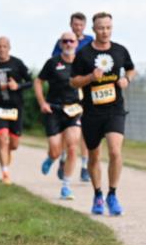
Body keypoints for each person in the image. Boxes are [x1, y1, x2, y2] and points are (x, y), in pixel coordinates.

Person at [70, 12, 136, 216]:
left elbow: (131, 69)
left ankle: (112, 194)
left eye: (108, 27)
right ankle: (98, 194)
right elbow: (73, 81)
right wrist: (90, 77)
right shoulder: (84, 54)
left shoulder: (119, 50)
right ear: (94, 29)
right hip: (91, 112)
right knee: (94, 155)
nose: (105, 31)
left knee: (115, 151)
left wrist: (127, 79)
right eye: (100, 28)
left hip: (115, 109)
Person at [35, 31, 84, 200]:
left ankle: (66, 186)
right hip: (54, 110)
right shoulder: (53, 63)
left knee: (72, 147)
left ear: (77, 43)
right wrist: (42, 103)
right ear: (60, 44)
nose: (68, 44)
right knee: (56, 150)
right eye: (65, 41)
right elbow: (38, 81)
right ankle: (52, 158)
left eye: (71, 41)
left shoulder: (82, 63)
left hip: (74, 110)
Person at [0, 37, 32, 184]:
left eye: (4, 46)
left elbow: (30, 81)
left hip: (16, 107)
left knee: (13, 145)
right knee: (2, 139)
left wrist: (18, 86)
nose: (2, 49)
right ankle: (5, 173)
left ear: (9, 48)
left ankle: (7, 154)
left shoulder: (17, 63)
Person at [51, 12, 95, 181]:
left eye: (80, 25)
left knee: (84, 128)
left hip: (86, 88)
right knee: (67, 128)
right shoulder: (63, 41)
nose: (77, 28)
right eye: (75, 25)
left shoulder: (90, 40)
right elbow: (54, 62)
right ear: (71, 25)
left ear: (84, 26)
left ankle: (84, 166)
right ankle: (63, 158)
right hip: (67, 89)